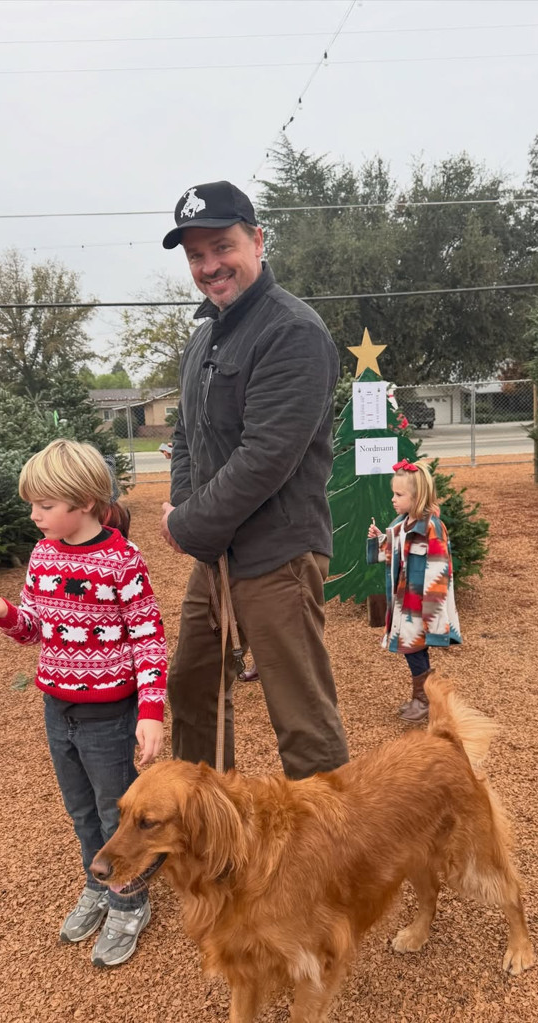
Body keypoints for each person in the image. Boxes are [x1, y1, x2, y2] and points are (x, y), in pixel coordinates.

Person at [158, 178, 348, 780]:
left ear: (258, 240)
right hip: (217, 554)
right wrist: (185, 508)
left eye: (221, 247)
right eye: (196, 256)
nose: (209, 266)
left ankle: (330, 859)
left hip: (279, 554)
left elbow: (265, 457)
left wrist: (187, 523)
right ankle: (206, 825)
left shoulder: (292, 332)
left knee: (301, 715)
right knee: (191, 690)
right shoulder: (203, 338)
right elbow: (186, 433)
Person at [0, 439, 167, 967]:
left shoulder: (122, 560)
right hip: (59, 709)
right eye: (32, 504)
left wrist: (149, 712)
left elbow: (148, 638)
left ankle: (128, 903)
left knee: (114, 815)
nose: (33, 516)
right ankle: (97, 888)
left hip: (109, 716)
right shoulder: (44, 554)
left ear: (84, 502)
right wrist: (0, 610)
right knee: (81, 812)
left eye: (44, 506)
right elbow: (33, 628)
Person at [367, 458, 461, 722]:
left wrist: (432, 614)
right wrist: (379, 540)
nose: (394, 500)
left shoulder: (432, 527)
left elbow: (440, 569)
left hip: (421, 604)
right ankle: (423, 698)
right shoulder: (403, 523)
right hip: (405, 601)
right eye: (393, 494)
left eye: (399, 494)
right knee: (412, 647)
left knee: (414, 647)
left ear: (417, 496)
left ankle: (425, 701)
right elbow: (395, 552)